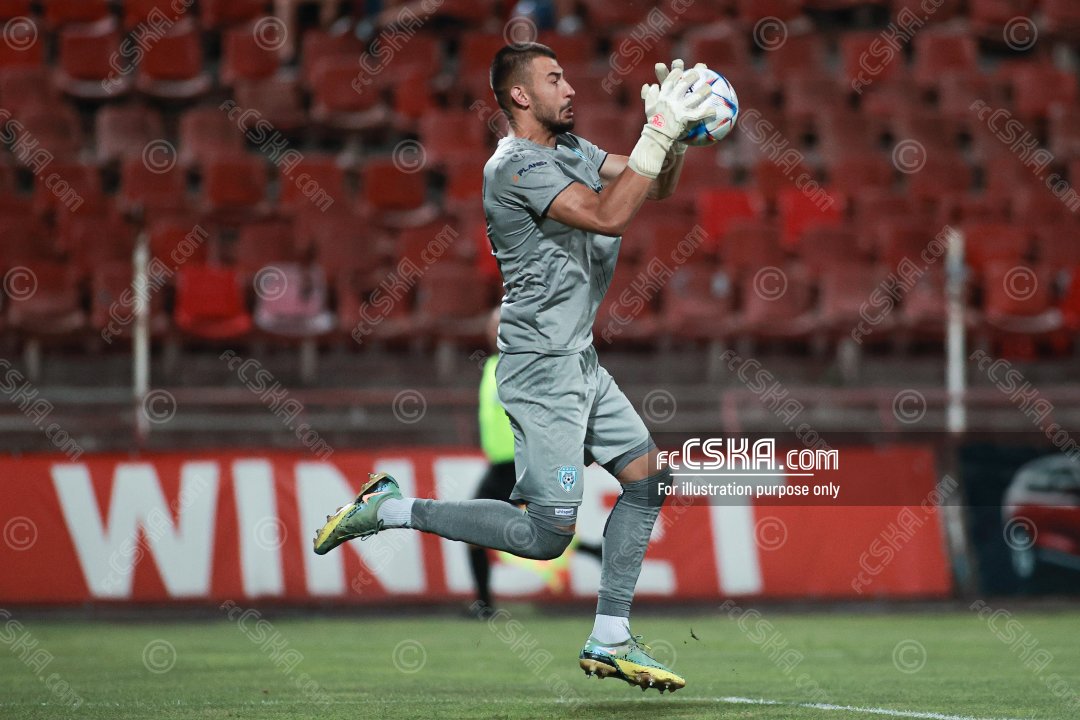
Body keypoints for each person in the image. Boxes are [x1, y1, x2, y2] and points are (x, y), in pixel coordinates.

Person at [313, 42, 715, 693]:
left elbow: (651, 187)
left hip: (578, 358)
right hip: (541, 367)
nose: (570, 88)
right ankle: (391, 509)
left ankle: (611, 636)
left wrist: (677, 140)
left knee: (647, 482)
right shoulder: (514, 167)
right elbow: (610, 214)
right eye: (555, 78)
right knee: (548, 535)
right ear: (521, 95)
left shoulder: (572, 150)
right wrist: (656, 135)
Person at [468, 306, 601, 617]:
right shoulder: (493, 365)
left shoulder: (524, 365)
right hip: (502, 465)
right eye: (493, 326)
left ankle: (484, 605)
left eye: (502, 325)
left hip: (519, 463)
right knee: (529, 528)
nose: (495, 331)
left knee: (476, 529)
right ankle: (594, 550)